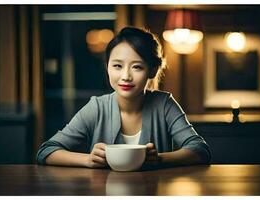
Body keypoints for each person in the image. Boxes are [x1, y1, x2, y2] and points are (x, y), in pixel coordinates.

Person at [36, 26, 211, 168]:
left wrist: (159, 159)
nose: (125, 76)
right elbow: (46, 151)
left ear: (152, 70)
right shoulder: (97, 107)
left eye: (137, 67)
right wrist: (88, 160)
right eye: (117, 66)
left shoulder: (164, 104)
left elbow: (200, 149)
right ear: (107, 68)